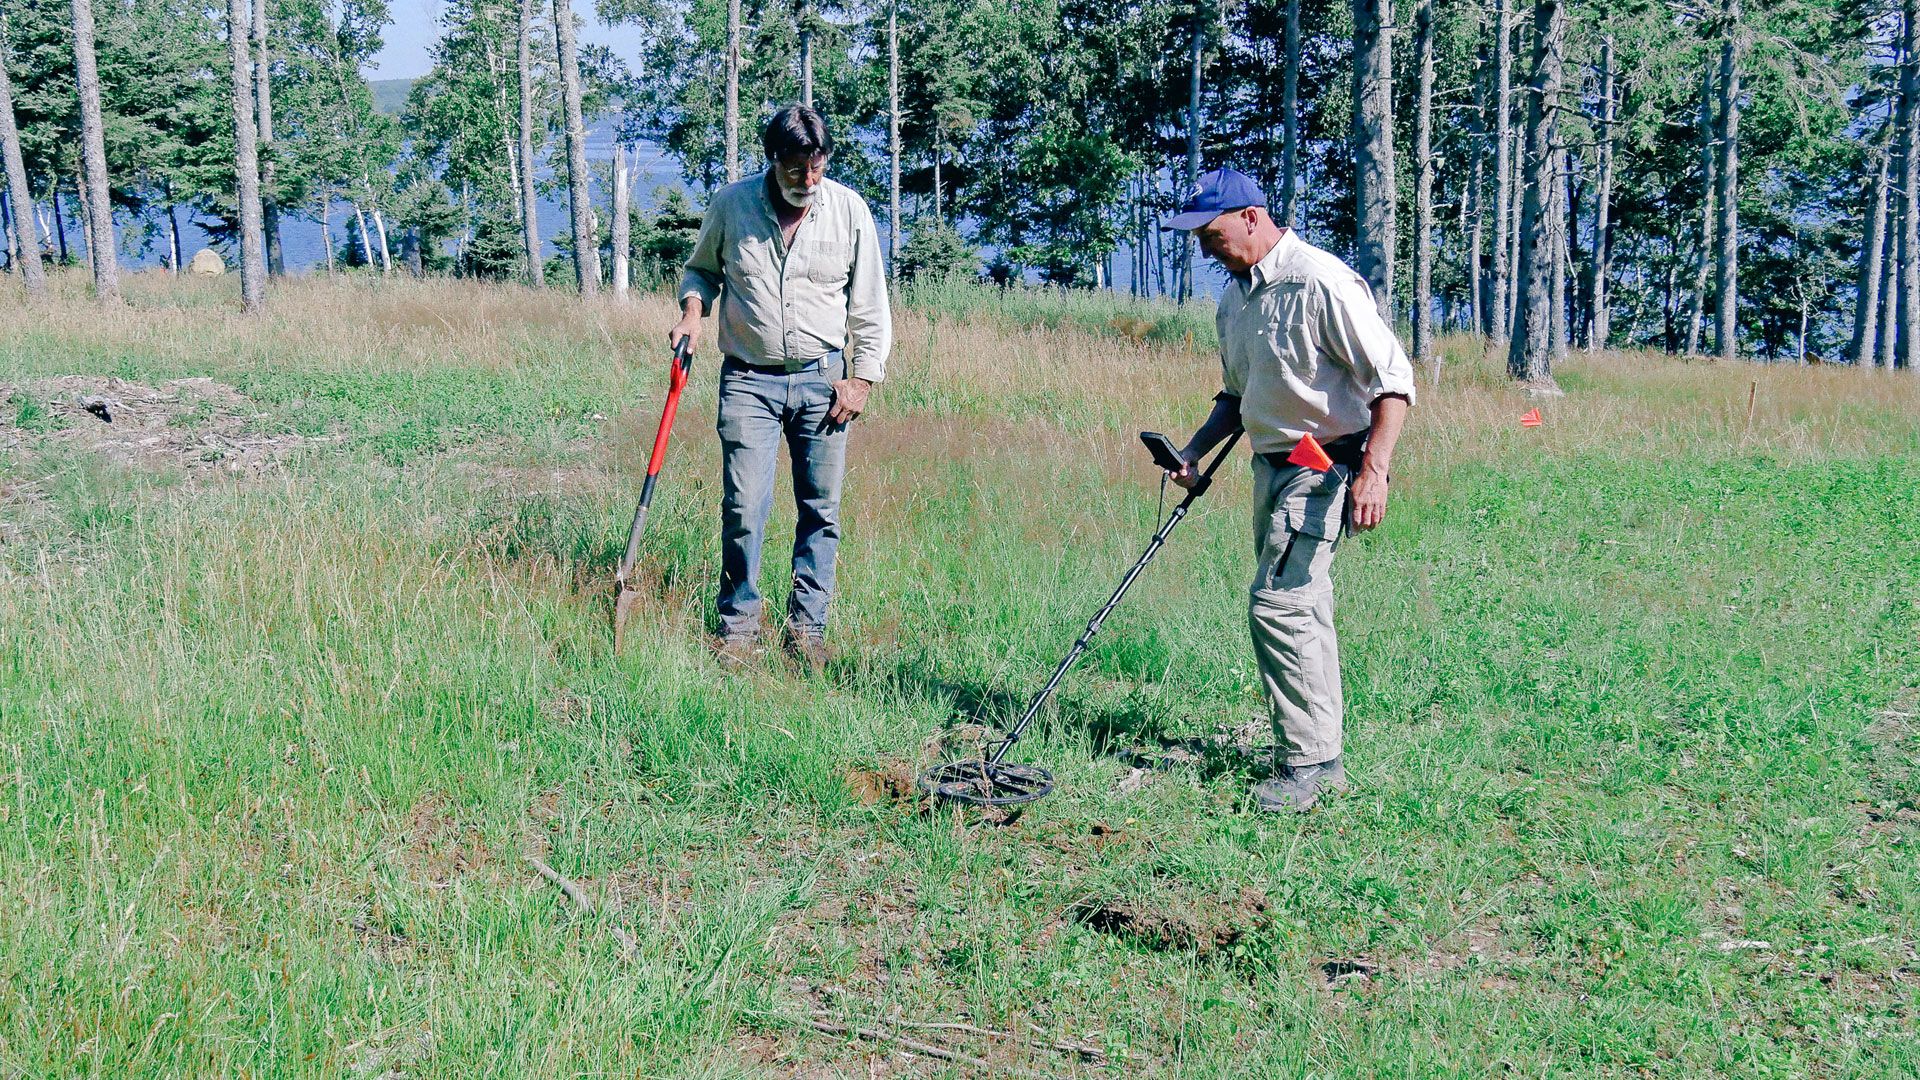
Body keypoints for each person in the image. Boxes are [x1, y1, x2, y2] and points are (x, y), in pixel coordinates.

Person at [1163, 168, 1415, 812]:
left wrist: (1374, 472)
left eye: (1211, 234)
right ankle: (1320, 752)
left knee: (1279, 604)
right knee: (1301, 605)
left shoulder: (1319, 281)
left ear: (1251, 217)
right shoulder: (1235, 298)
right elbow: (1237, 397)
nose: (1205, 248)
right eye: (1198, 238)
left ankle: (1310, 765)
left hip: (1326, 464)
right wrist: (1191, 452)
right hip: (1270, 465)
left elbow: (1392, 380)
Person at [670, 106, 892, 669]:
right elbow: (701, 272)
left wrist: (862, 379)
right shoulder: (732, 205)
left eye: (817, 168)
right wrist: (693, 313)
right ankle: (739, 630)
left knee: (821, 510)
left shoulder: (849, 211)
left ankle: (807, 630)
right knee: (745, 507)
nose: (808, 180)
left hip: (824, 382)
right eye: (797, 169)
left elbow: (870, 305)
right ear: (773, 160)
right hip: (749, 382)